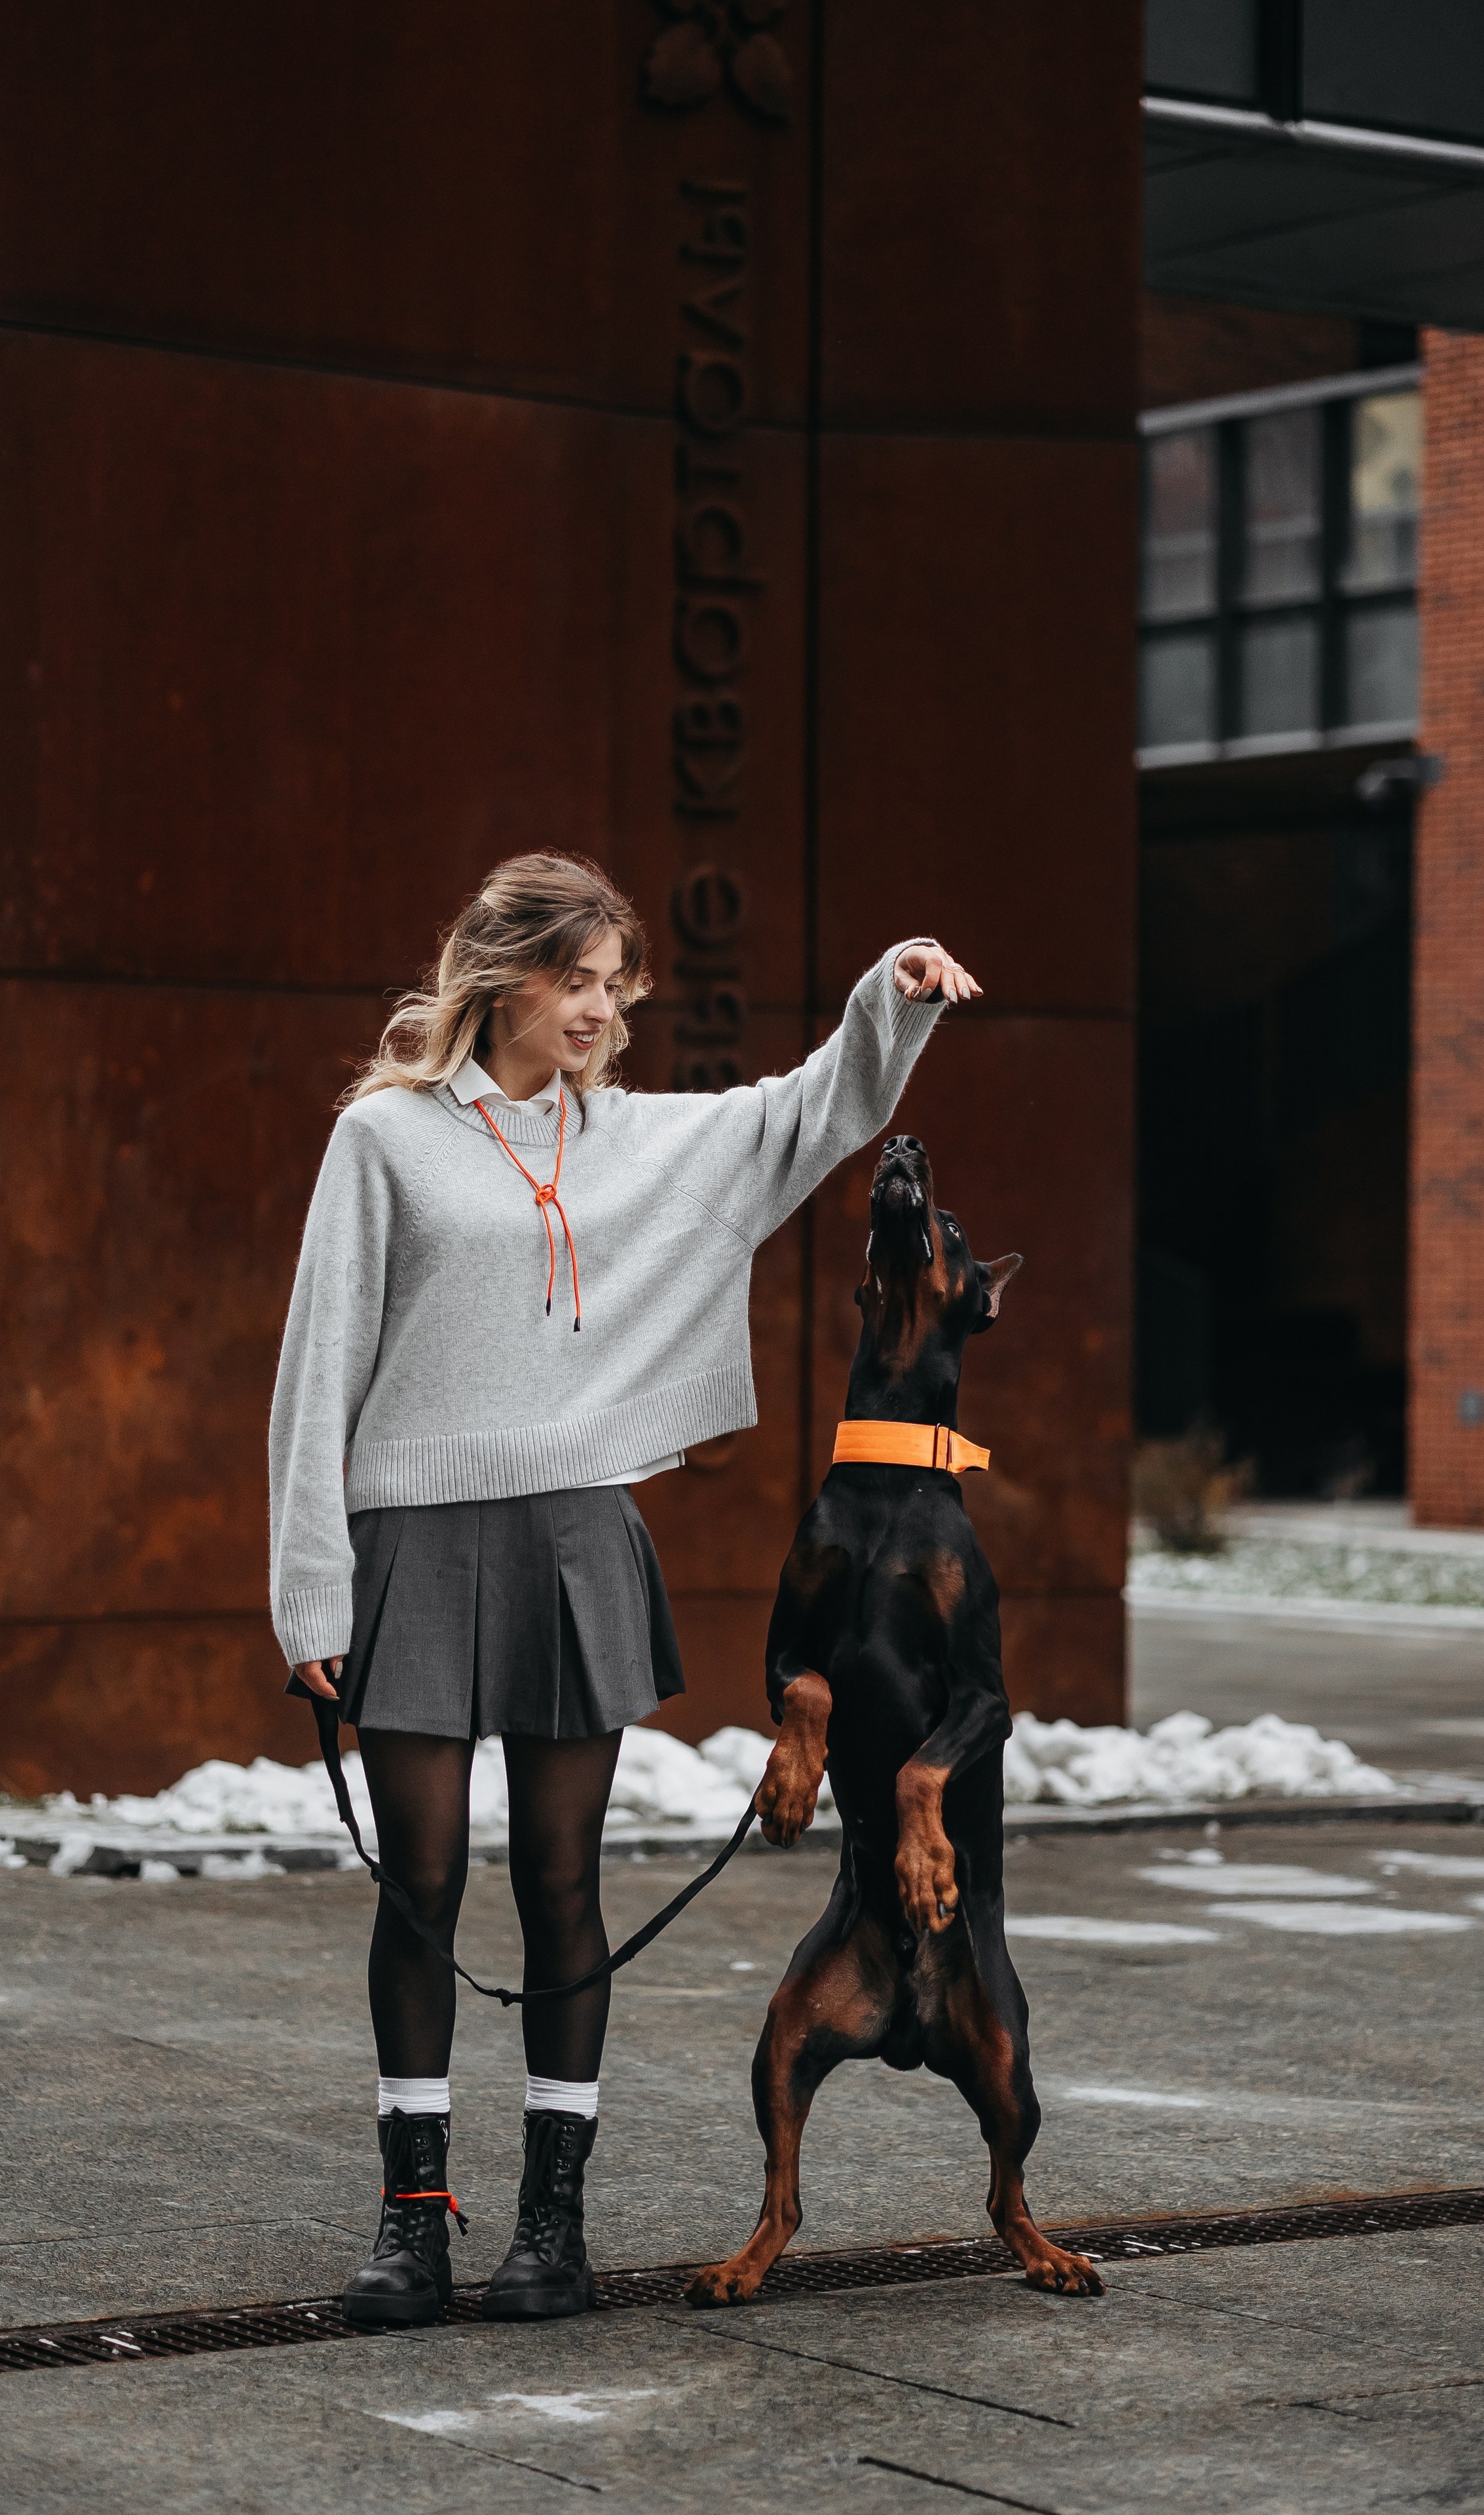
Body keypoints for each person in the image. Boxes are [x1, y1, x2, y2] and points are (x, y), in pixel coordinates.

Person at [269, 851, 979, 2327]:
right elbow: (315, 1364)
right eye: (574, 979)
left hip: (576, 1544)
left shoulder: (640, 1141)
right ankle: (412, 2221)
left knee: (560, 1882)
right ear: (501, 974)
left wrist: (887, 993)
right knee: (418, 1890)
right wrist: (310, 1590)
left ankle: (551, 2227)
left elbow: (810, 1111)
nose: (599, 1009)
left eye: (614, 984)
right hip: (409, 1535)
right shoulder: (385, 1141)